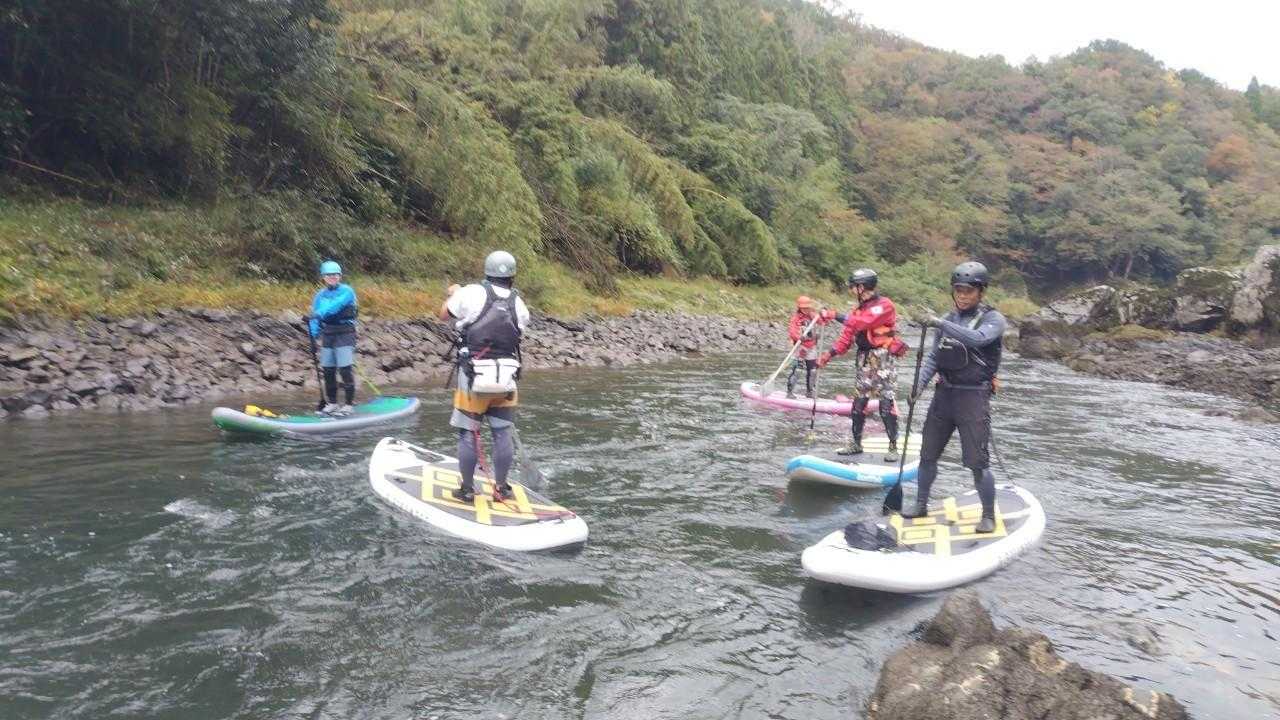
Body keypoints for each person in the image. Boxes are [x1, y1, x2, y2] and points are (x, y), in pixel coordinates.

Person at [906, 261, 1008, 533]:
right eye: (958, 290)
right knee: (927, 454)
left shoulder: (993, 320)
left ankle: (988, 515)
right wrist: (918, 386)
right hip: (945, 395)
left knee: (977, 463)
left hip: (973, 398)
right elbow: (934, 358)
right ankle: (920, 504)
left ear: (981, 292)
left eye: (969, 291)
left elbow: (977, 339)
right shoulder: (947, 319)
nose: (962, 296)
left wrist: (939, 323)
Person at [439, 250, 531, 503]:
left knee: (469, 433)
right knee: (502, 432)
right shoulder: (519, 304)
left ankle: (467, 489)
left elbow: (444, 314)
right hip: (506, 378)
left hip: (473, 376)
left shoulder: (470, 292)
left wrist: (454, 295)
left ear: (486, 272)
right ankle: (501, 488)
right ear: (512, 276)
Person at [817, 268, 905, 461]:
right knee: (858, 403)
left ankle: (893, 447)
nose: (851, 290)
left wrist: (834, 315)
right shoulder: (857, 310)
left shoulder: (884, 305)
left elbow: (862, 323)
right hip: (864, 358)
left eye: (853, 287)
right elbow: (846, 338)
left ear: (862, 287)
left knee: (885, 404)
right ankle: (856, 443)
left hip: (883, 358)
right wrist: (828, 355)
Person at [308, 260, 358, 415]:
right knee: (328, 370)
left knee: (344, 369)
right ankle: (332, 403)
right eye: (329, 275)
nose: (332, 277)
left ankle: (348, 405)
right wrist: (313, 336)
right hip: (328, 333)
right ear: (323, 277)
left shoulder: (347, 291)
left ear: (340, 276)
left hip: (345, 332)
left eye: (335, 274)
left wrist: (318, 314)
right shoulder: (320, 295)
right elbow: (315, 317)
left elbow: (336, 306)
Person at [785, 296, 836, 398]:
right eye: (803, 308)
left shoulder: (813, 315)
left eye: (807, 307)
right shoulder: (796, 318)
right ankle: (789, 392)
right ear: (799, 307)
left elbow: (824, 322)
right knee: (798, 370)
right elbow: (792, 332)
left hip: (812, 347)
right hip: (800, 347)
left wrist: (825, 315)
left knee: (813, 370)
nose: (806, 309)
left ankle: (810, 391)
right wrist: (799, 337)